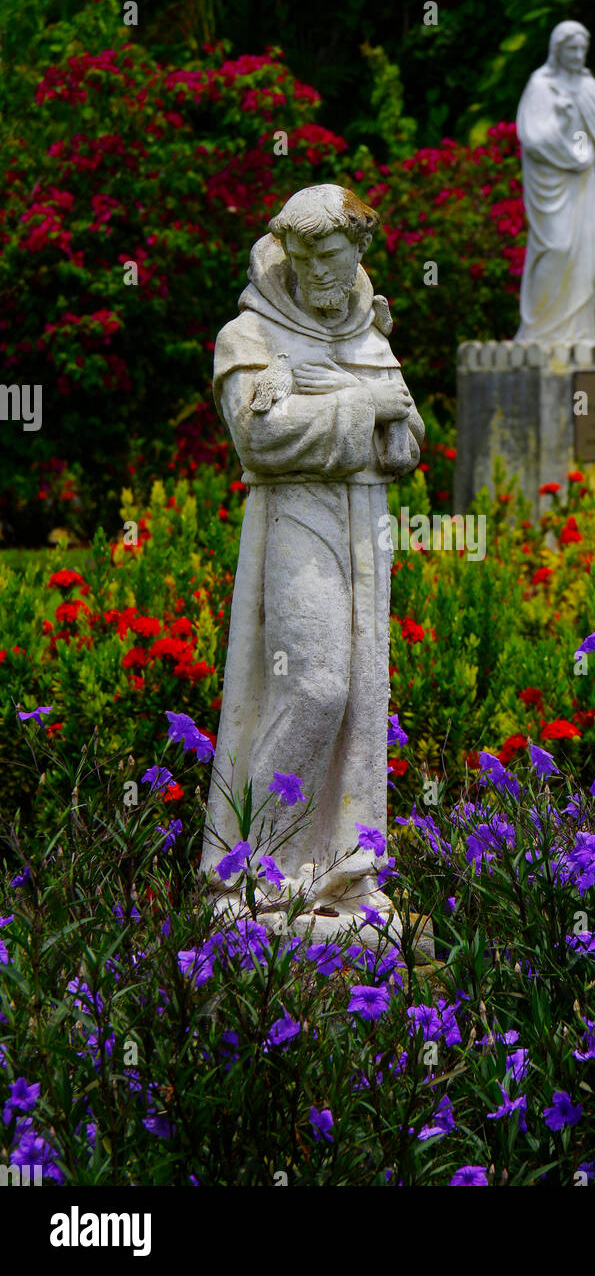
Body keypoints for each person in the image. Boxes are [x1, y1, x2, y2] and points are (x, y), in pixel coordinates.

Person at [200, 185, 424, 925]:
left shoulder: (368, 335)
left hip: (364, 526)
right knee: (316, 685)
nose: (315, 275)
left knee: (359, 697)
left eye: (329, 257)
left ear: (358, 251)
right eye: (301, 259)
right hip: (296, 515)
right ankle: (252, 869)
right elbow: (259, 438)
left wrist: (373, 416)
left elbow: (409, 443)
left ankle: (334, 874)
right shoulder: (251, 336)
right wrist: (362, 408)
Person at [515, 20, 595, 344]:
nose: (578, 56)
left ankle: (580, 333)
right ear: (557, 50)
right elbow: (533, 137)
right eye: (571, 49)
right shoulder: (541, 85)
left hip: (584, 182)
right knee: (556, 247)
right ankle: (537, 330)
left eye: (582, 49)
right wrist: (560, 118)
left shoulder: (589, 87)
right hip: (551, 181)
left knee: (587, 262)